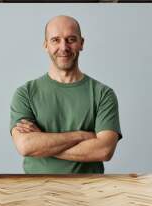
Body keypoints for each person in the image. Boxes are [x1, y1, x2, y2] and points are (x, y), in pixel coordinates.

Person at [9, 15, 122, 174]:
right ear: (45, 45)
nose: (64, 47)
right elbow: (26, 145)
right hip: (36, 191)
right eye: (55, 40)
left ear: (81, 43)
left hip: (88, 191)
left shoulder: (103, 94)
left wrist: (43, 143)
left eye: (71, 39)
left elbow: (103, 150)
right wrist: (82, 136)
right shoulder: (25, 93)